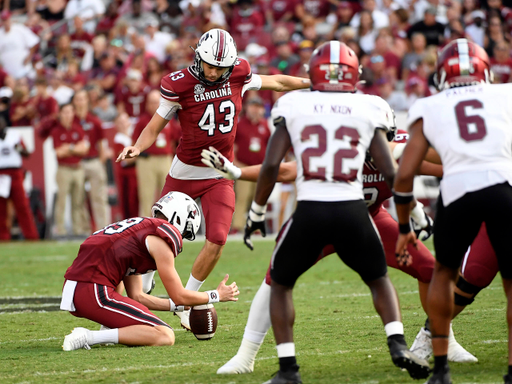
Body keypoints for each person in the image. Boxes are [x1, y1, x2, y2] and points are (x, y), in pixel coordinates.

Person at [239, 40, 430, 384]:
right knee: (378, 278)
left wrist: (255, 211)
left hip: (311, 209)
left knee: (281, 283)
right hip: (353, 210)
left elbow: (271, 166)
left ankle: (288, 370)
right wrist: (413, 211)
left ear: (313, 72)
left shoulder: (294, 104)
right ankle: (397, 342)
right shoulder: (369, 107)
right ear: (353, 75)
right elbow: (390, 171)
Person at [116, 28, 310, 331]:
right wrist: (137, 147)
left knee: (218, 238)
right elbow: (155, 125)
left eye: (222, 67)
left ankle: (187, 298)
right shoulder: (179, 84)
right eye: (210, 65)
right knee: (155, 237)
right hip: (184, 173)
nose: (216, 71)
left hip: (220, 173)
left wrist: (316, 84)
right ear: (198, 58)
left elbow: (279, 82)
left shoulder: (238, 73)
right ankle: (145, 283)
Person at [393, 38, 512, 384]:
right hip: (503, 187)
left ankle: (441, 370)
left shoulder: (431, 105)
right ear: (485, 70)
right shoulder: (504, 94)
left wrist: (405, 227)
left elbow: (404, 174)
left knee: (444, 272)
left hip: (459, 190)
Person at [60, 191, 239, 350]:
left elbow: (138, 295)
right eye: (185, 232)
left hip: (80, 286)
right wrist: (216, 295)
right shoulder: (162, 236)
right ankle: (89, 337)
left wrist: (179, 305)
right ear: (178, 220)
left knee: (123, 285)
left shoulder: (140, 229)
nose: (181, 237)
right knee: (165, 335)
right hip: (93, 289)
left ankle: (107, 326)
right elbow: (179, 295)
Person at [50, 103, 89, 238]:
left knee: (78, 200)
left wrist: (69, 147)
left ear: (73, 113)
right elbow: (59, 152)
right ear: (60, 114)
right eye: (65, 112)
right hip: (63, 169)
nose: (67, 115)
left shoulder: (78, 129)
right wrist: (75, 148)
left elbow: (84, 149)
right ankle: (60, 230)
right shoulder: (56, 131)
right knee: (62, 201)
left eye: (70, 112)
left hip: (78, 168)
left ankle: (78, 229)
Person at [0, 116, 39, 240]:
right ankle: (3, 236)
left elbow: (27, 153)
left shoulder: (14, 135)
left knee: (22, 206)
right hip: (1, 174)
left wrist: (19, 148)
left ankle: (31, 236)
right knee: (1, 208)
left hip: (15, 172)